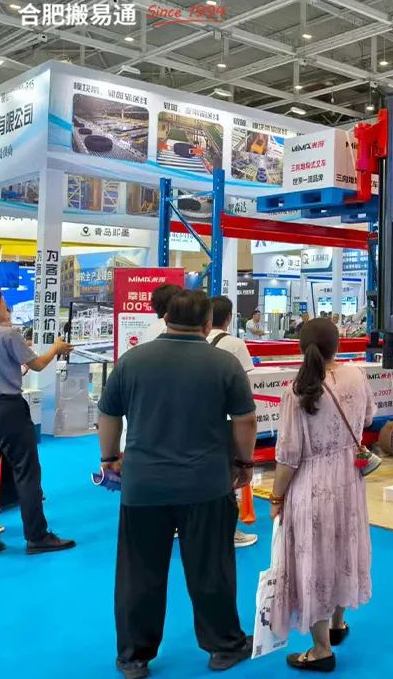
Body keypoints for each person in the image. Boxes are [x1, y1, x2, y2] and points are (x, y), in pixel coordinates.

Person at [97, 290, 257, 678]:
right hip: (206, 484)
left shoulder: (132, 360)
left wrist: (109, 457)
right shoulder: (224, 363)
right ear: (208, 324)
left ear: (166, 318)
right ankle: (224, 646)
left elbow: (108, 414)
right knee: (212, 569)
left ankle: (134, 657)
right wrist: (244, 463)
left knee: (139, 573)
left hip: (143, 485)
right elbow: (246, 420)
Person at [269, 318, 374, 672]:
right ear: (338, 345)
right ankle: (337, 624)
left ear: (302, 348)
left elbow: (288, 456)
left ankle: (320, 649)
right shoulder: (356, 376)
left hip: (312, 485)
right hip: (349, 480)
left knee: (313, 559)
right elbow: (369, 418)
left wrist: (276, 498)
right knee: (344, 546)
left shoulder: (298, 390)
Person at [0, 287, 76, 559]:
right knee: (26, 470)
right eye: (4, 303)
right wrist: (56, 348)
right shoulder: (7, 334)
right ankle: (37, 536)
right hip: (6, 409)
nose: (6, 308)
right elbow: (37, 364)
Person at [207, 295, 258, 550]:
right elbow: (244, 386)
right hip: (228, 420)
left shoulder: (199, 340)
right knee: (230, 477)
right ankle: (229, 530)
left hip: (202, 418)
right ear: (228, 318)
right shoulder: (235, 344)